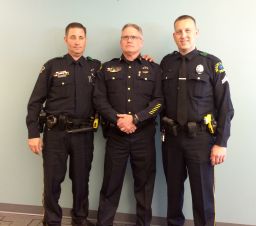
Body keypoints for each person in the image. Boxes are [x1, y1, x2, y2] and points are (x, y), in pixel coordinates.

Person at [160, 15, 234, 226]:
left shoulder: (212, 63)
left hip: (200, 140)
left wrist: (221, 142)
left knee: (202, 195)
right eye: (179, 32)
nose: (183, 35)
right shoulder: (166, 62)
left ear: (196, 33)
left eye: (188, 31)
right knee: (173, 193)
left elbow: (225, 107)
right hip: (172, 139)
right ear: (174, 35)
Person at [26, 22, 101, 226]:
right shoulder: (52, 66)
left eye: (81, 37)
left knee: (81, 181)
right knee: (52, 181)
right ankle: (51, 221)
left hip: (84, 134)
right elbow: (35, 102)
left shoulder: (95, 67)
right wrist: (33, 133)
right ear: (66, 39)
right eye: (73, 37)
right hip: (56, 135)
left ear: (86, 40)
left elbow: (118, 76)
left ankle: (80, 219)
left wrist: (145, 59)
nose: (77, 41)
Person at [93, 23, 163, 226]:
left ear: (141, 41)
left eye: (134, 37)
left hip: (144, 138)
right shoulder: (106, 68)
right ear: (120, 42)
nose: (129, 40)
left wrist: (136, 119)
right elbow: (99, 100)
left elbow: (159, 101)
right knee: (110, 186)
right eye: (125, 37)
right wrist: (118, 120)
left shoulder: (154, 69)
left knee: (144, 188)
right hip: (116, 137)